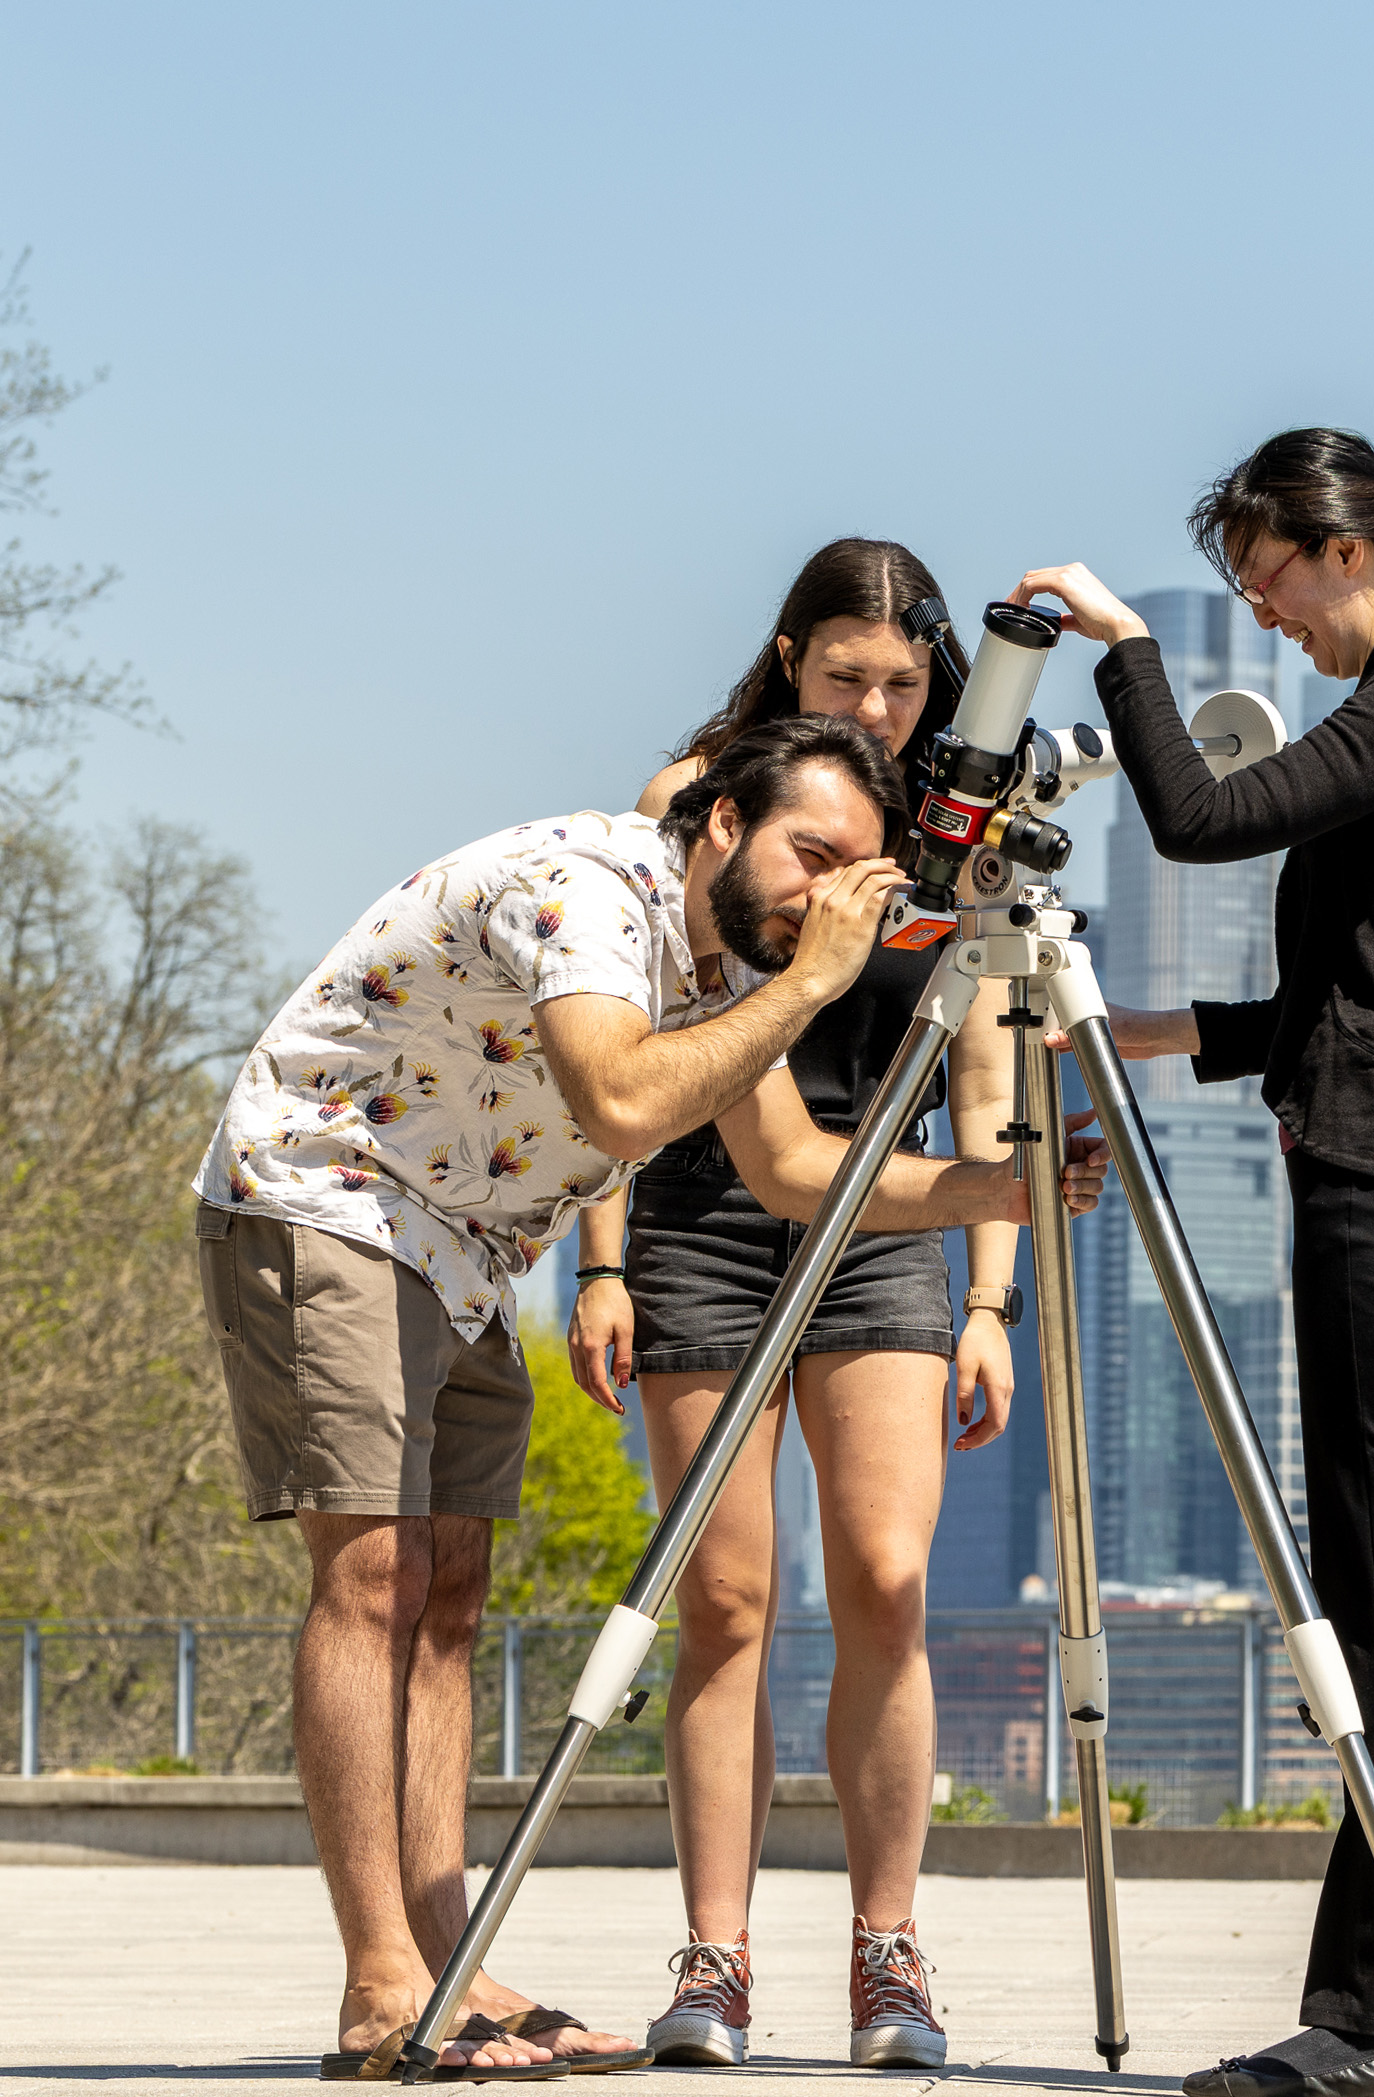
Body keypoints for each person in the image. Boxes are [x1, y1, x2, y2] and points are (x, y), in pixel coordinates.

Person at [192, 714, 1088, 2083]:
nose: (832, 892)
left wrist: (998, 1193)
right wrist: (807, 985)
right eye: (812, 853)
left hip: (466, 1240)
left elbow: (792, 1169)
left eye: (861, 869)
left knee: (447, 1593)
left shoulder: (724, 962)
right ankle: (382, 1985)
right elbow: (617, 1104)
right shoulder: (595, 892)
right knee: (374, 1572)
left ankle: (450, 1963)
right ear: (721, 821)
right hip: (326, 1191)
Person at [1009, 430, 1374, 2097]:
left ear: (1337, 543)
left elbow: (1195, 818)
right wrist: (1183, 1032)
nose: (1270, 620)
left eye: (1264, 581)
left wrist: (1130, 646)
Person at [561, 539, 1076, 2072]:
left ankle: (889, 1954)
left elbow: (988, 1053)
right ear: (790, 659)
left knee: (886, 1578)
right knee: (720, 1600)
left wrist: (995, 1294)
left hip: (888, 1213)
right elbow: (617, 1043)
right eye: (847, 675)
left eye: (906, 682)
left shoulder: (953, 820)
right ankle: (713, 1957)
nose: (878, 701)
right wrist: (598, 1260)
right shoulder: (698, 799)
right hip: (709, 1214)